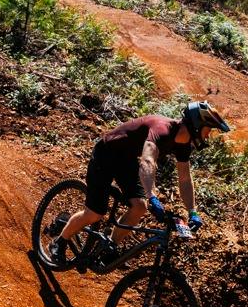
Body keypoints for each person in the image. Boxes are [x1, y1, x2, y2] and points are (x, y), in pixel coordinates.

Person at [44, 101, 230, 267]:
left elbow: (184, 178)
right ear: (197, 125)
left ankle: (109, 247)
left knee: (139, 207)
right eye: (208, 130)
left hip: (126, 161)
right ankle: (59, 241)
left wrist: (193, 212)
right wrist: (152, 195)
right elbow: (148, 161)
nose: (208, 136)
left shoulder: (183, 144)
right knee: (95, 213)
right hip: (106, 153)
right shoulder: (162, 129)